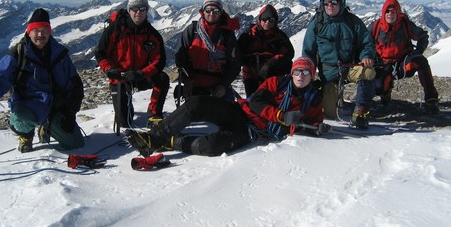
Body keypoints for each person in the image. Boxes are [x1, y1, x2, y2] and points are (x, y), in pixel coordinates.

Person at [126, 57, 324, 157]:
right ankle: (153, 138)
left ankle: (172, 141)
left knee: (211, 146)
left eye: (306, 72)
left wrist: (318, 129)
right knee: (197, 103)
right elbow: (256, 102)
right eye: (297, 71)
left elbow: (313, 123)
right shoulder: (276, 82)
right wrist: (281, 116)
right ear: (292, 72)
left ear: (312, 75)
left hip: (250, 133)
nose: (300, 75)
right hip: (239, 112)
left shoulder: (312, 99)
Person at [0, 8, 85, 153]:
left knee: (75, 143)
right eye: (36, 30)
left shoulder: (60, 54)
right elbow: (0, 74)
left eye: (44, 30)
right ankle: (26, 136)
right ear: (29, 32)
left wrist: (70, 112)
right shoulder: (19, 53)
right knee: (21, 119)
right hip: (27, 105)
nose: (41, 34)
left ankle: (46, 127)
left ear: (50, 32)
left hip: (55, 107)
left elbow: (75, 85)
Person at [302, 0, 376, 128]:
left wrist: (366, 56)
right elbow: (308, 52)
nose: (330, 5)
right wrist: (307, 72)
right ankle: (326, 96)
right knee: (330, 114)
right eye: (326, 2)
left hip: (349, 67)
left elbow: (366, 43)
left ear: (341, 3)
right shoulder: (317, 24)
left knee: (368, 72)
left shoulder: (353, 21)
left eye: (334, 2)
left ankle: (360, 110)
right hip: (329, 72)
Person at [95, 0, 169, 129]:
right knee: (124, 123)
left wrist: (141, 73)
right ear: (129, 10)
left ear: (147, 11)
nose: (138, 12)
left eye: (142, 9)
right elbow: (100, 53)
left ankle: (154, 114)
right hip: (120, 77)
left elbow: (159, 61)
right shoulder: (115, 29)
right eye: (135, 9)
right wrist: (109, 69)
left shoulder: (151, 34)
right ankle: (125, 106)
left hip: (140, 75)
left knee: (162, 78)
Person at [370, 0, 440, 113]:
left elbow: (423, 36)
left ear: (398, 12)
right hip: (382, 65)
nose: (390, 14)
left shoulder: (405, 25)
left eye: (393, 11)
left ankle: (431, 98)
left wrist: (418, 52)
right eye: (387, 11)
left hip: (402, 64)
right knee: (378, 87)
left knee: (421, 61)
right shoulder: (375, 27)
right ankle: (386, 90)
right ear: (383, 12)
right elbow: (365, 43)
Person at [174, 0, 240, 103]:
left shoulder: (227, 35)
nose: (211, 13)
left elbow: (235, 64)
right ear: (203, 12)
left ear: (221, 13)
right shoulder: (192, 30)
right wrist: (187, 80)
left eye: (216, 10)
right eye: (208, 10)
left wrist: (223, 85)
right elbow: (180, 58)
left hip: (218, 84)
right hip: (194, 82)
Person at [237, 4, 295, 97]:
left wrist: (271, 63)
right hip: (251, 76)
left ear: (275, 21)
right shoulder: (248, 35)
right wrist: (249, 62)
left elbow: (289, 53)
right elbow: (237, 53)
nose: (267, 22)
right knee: (253, 101)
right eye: (265, 19)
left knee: (271, 100)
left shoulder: (280, 37)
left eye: (271, 20)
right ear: (260, 20)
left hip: (272, 76)